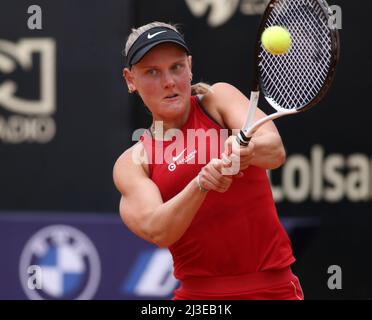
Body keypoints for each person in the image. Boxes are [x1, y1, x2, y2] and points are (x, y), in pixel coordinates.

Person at [113, 21, 304, 300]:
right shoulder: (133, 163)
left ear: (189, 66)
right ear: (131, 80)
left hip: (273, 289)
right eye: (152, 72)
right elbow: (159, 230)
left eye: (176, 67)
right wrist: (201, 183)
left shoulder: (217, 100)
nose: (169, 81)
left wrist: (247, 151)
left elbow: (274, 151)